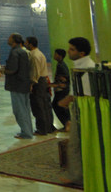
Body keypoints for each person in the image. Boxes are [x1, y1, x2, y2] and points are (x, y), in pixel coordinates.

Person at [59, 37, 96, 186]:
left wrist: (66, 101)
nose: (68, 51)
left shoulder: (87, 67)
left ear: (81, 53)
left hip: (84, 112)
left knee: (75, 145)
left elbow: (82, 93)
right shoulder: (81, 65)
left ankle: (77, 178)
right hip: (80, 111)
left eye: (72, 49)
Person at [0, 33, 33, 139]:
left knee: (19, 110)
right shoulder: (22, 51)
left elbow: (13, 69)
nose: (7, 39)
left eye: (9, 38)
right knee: (25, 109)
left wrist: (3, 70)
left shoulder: (15, 52)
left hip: (17, 85)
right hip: (24, 84)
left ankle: (26, 133)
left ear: (13, 41)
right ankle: (27, 131)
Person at [24, 37, 54, 135]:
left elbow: (35, 72)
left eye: (26, 43)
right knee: (45, 105)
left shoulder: (34, 56)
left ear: (31, 44)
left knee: (38, 106)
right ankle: (48, 127)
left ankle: (42, 129)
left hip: (38, 82)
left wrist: (32, 84)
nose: (25, 44)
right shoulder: (40, 53)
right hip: (42, 81)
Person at [49, 48, 70, 130]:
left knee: (58, 105)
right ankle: (66, 124)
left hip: (62, 90)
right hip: (61, 89)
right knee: (58, 106)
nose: (54, 55)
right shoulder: (60, 64)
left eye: (55, 54)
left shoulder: (61, 66)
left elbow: (64, 80)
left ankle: (67, 124)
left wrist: (53, 85)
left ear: (60, 56)